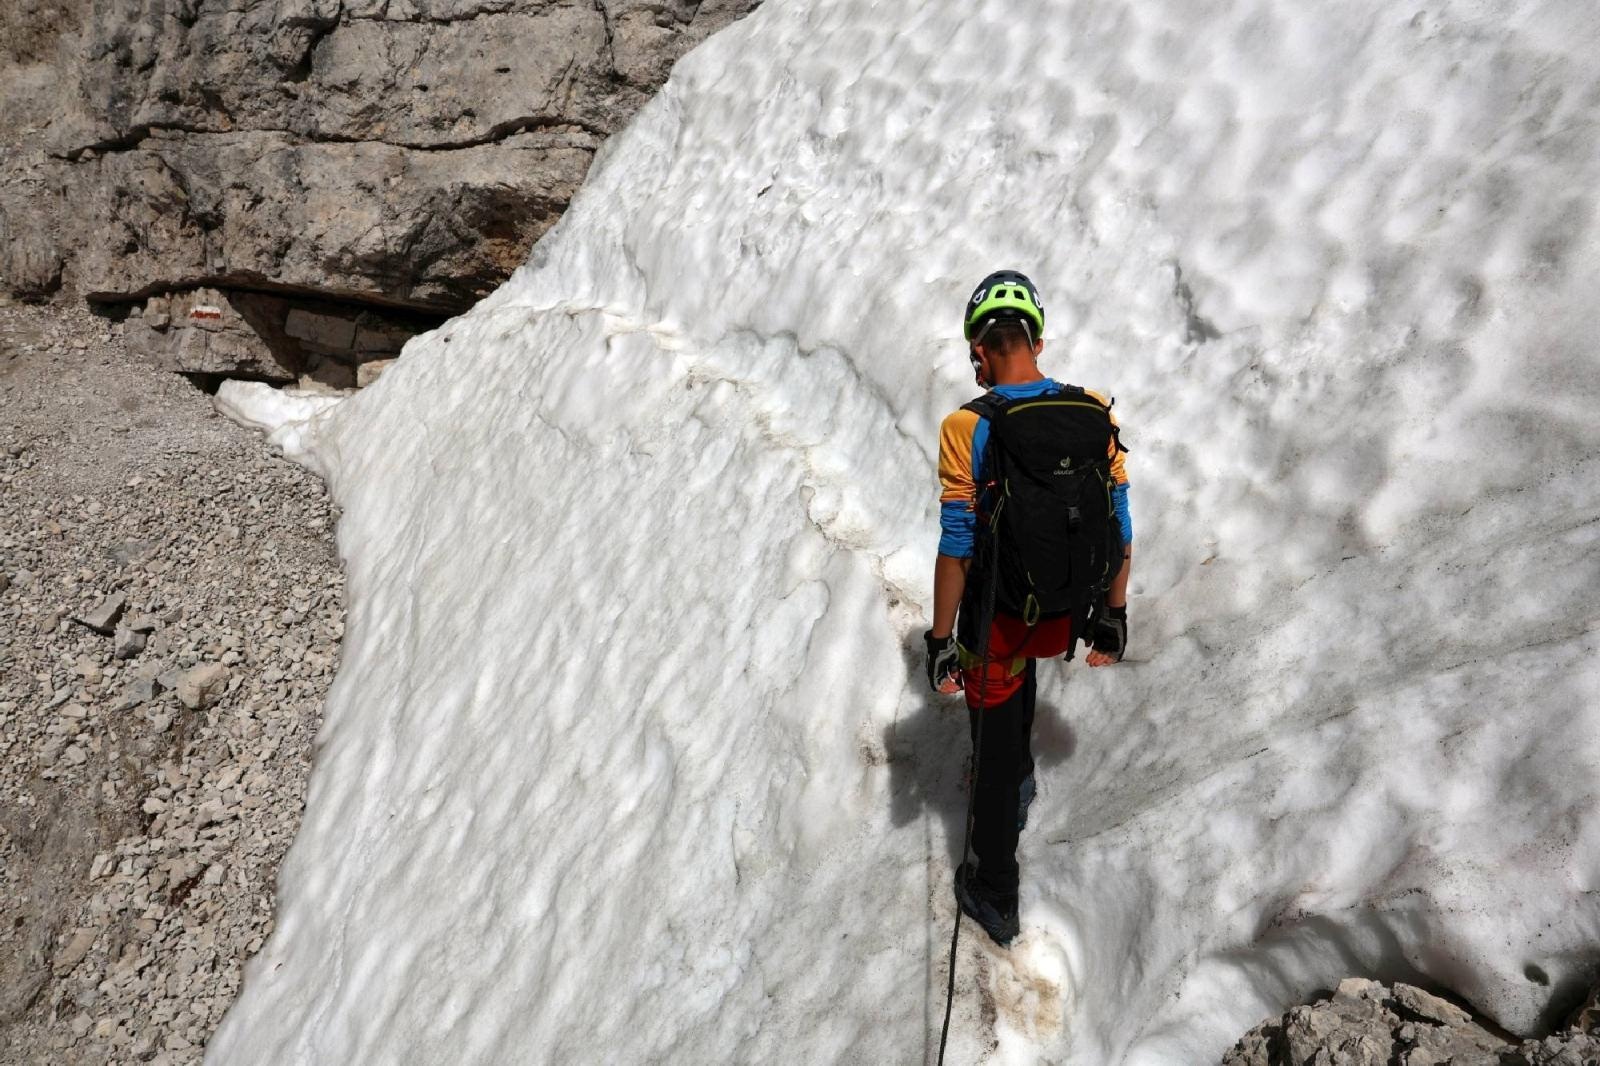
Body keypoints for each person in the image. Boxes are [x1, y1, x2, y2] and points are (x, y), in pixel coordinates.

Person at [923, 270, 1132, 946]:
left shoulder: (967, 425)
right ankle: (1019, 778)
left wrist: (939, 639)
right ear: (1037, 342)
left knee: (992, 737)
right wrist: (1114, 615)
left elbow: (957, 546)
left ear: (979, 351)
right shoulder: (1094, 410)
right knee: (1022, 676)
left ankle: (994, 888)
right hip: (1068, 615)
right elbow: (1120, 523)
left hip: (1002, 619)